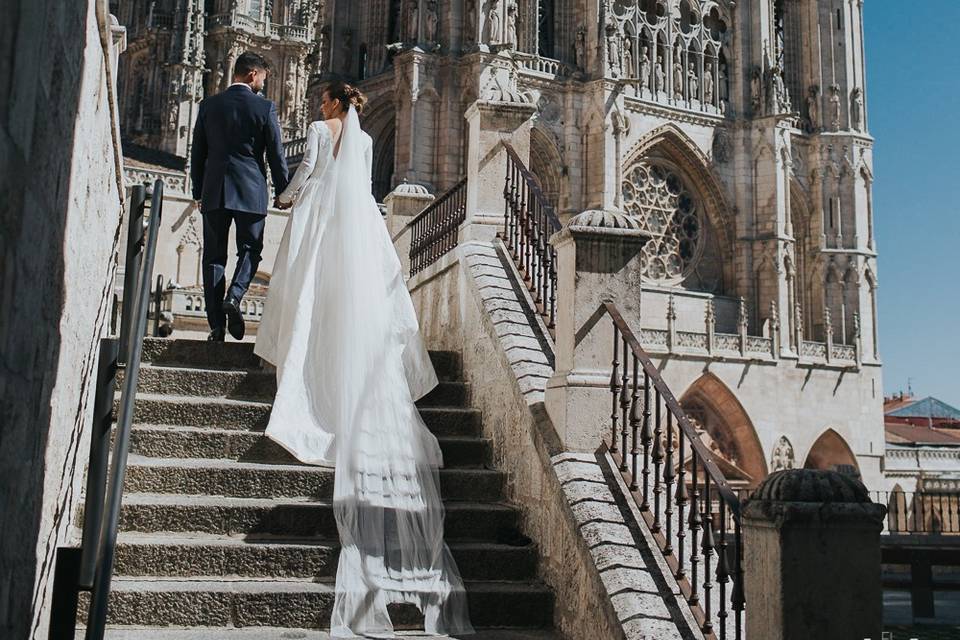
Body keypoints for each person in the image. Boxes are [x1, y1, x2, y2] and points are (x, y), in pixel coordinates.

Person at [254, 80, 474, 638]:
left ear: (330, 102)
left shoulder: (316, 130)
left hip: (322, 218)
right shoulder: (366, 140)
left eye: (323, 100)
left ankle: (307, 373)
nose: (321, 107)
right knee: (354, 302)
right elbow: (361, 180)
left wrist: (285, 198)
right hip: (359, 224)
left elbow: (306, 175)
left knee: (310, 295)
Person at [190, 51, 289, 342]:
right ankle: (234, 297)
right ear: (251, 75)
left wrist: (198, 191)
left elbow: (197, 154)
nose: (262, 83)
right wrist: (283, 192)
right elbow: (276, 155)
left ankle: (216, 327)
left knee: (213, 257)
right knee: (249, 250)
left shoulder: (209, 106)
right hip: (251, 190)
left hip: (215, 190)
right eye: (262, 78)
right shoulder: (264, 108)